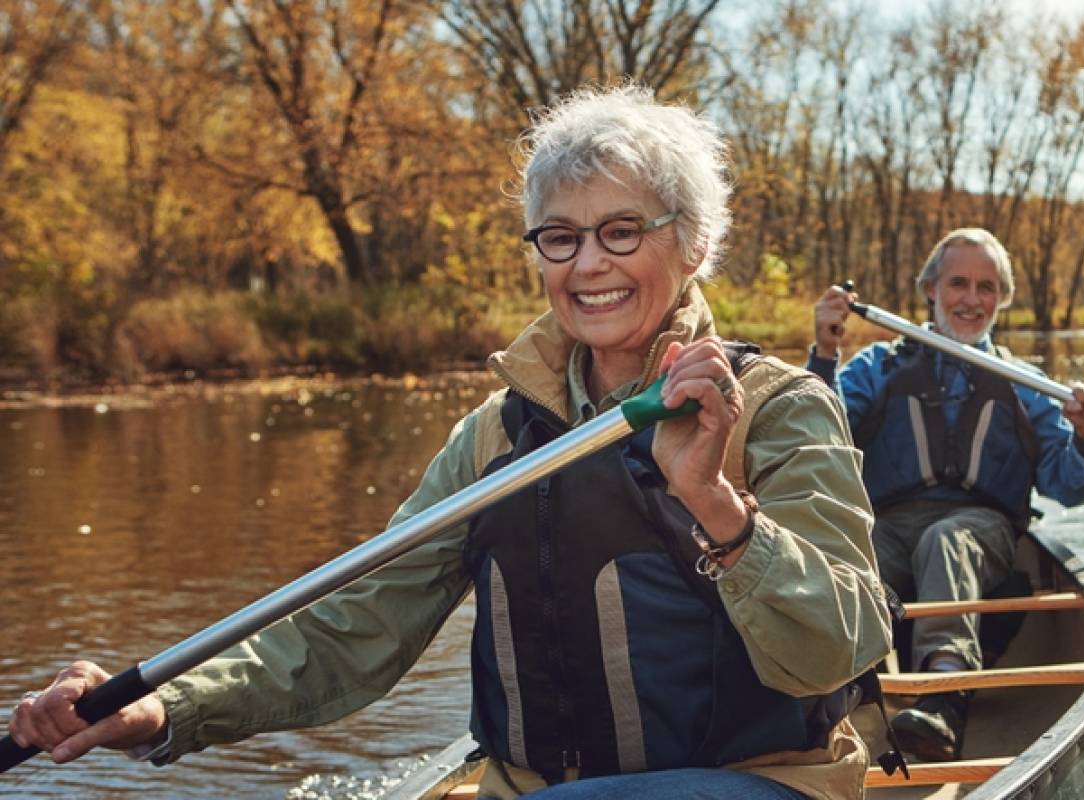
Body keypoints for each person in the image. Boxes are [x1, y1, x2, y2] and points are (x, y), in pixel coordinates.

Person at [7, 85, 892, 800]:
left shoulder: (779, 408)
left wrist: (717, 509)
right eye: (560, 237)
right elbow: (353, 625)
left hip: (754, 783)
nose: (588, 265)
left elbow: (843, 646)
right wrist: (163, 708)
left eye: (623, 231)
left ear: (694, 246)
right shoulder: (496, 436)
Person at [808, 228, 1084, 762]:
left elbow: (1069, 484)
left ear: (1002, 299)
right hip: (889, 525)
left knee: (945, 540)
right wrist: (825, 352)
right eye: (959, 283)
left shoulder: (1024, 383)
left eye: (987, 287)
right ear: (930, 289)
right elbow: (815, 438)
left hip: (982, 531)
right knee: (846, 551)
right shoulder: (877, 367)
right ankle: (829, 698)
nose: (972, 299)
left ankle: (944, 696)